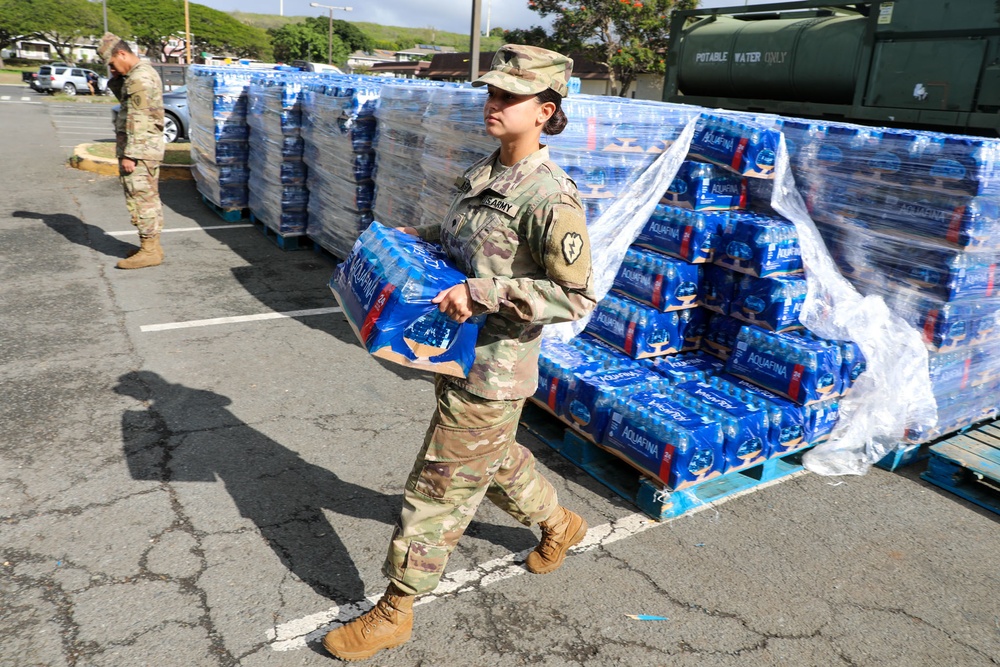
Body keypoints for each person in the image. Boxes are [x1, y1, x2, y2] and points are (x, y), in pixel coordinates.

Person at [322, 45, 597, 662]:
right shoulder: (485, 171)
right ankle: (559, 524)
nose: (492, 103)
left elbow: (576, 297)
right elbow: (460, 241)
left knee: (440, 482)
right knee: (490, 459)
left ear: (545, 110)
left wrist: (486, 292)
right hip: (456, 354)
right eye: (490, 93)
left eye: (508, 96)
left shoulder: (551, 198)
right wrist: (408, 240)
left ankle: (396, 608)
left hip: (495, 370)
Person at [97, 33, 166, 270]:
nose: (112, 68)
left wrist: (130, 154)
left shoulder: (140, 79)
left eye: (112, 64)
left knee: (141, 200)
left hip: (140, 150)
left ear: (122, 54)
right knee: (146, 198)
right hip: (145, 148)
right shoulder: (136, 75)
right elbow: (127, 104)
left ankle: (149, 251)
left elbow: (139, 118)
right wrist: (116, 77)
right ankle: (152, 247)